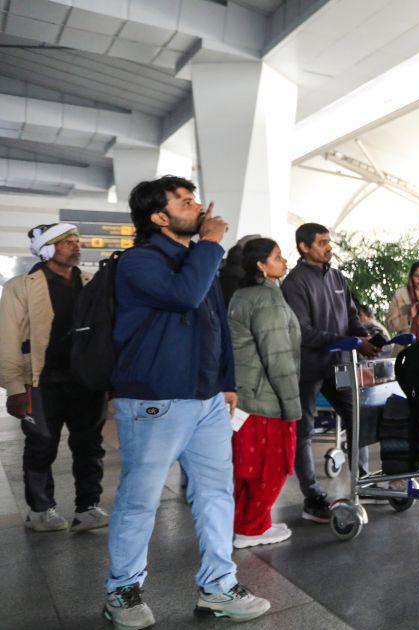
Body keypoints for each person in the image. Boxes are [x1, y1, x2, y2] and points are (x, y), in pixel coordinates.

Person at [104, 176, 270, 628]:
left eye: (194, 198)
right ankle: (122, 591)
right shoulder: (139, 261)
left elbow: (216, 323)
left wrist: (226, 382)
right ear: (159, 217)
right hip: (155, 400)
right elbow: (184, 296)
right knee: (140, 500)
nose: (197, 207)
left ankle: (218, 586)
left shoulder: (198, 258)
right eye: (184, 202)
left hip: (207, 399)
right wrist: (211, 243)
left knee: (215, 493)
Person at [0, 223, 108, 532]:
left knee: (90, 445)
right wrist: (14, 388)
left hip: (86, 381)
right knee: (41, 446)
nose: (76, 246)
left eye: (77, 241)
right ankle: (40, 510)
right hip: (42, 382)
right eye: (67, 242)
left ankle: (88, 507)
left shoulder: (90, 282)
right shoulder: (21, 286)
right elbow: (8, 338)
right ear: (47, 249)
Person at [282, 222, 380, 524]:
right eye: (322, 242)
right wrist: (350, 342)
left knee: (357, 418)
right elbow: (303, 332)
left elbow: (351, 316)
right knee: (304, 431)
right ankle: (313, 498)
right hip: (308, 368)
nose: (329, 247)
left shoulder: (337, 277)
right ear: (304, 247)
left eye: (329, 241)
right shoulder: (294, 283)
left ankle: (361, 482)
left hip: (341, 365)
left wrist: (363, 336)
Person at [228, 238, 301, 549]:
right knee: (270, 465)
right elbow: (278, 356)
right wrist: (291, 406)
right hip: (266, 397)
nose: (283, 261)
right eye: (277, 256)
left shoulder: (241, 295)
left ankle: (246, 523)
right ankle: (253, 528)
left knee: (247, 466)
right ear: (261, 265)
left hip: (245, 394)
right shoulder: (267, 299)